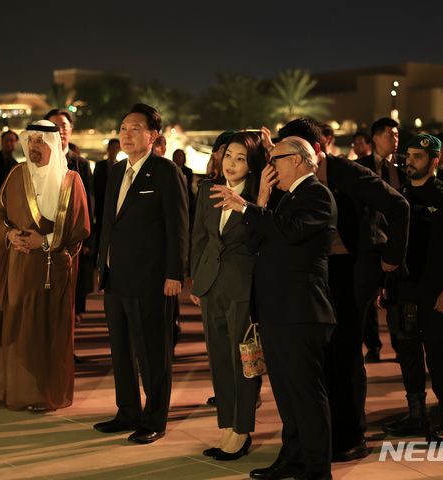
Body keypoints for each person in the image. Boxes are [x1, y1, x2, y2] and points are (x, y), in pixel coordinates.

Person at [269, 118, 409, 462]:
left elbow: (398, 206)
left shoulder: (348, 173)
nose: (288, 158)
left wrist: (390, 259)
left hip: (352, 271)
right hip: (318, 273)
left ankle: (351, 435)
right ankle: (322, 435)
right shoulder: (289, 179)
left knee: (346, 353)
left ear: (316, 149)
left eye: (295, 150)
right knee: (320, 356)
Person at [215, 136, 336, 480]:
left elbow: (293, 232)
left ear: (297, 161)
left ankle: (316, 468)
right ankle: (293, 456)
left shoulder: (316, 194)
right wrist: (262, 201)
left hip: (301, 311)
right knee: (285, 393)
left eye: (275, 158)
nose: (270, 166)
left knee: (306, 394)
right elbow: (254, 242)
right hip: (277, 311)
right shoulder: (286, 198)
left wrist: (248, 208)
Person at [94, 103, 189, 444]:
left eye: (135, 128)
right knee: (120, 350)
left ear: (153, 136)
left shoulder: (165, 172)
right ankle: (128, 412)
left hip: (151, 279)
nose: (126, 134)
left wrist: (174, 273)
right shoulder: (117, 171)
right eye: (123, 128)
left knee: (151, 351)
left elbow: (178, 226)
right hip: (115, 277)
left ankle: (154, 419)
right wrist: (100, 267)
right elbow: (107, 223)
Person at [0, 120, 90, 411]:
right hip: (19, 265)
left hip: (51, 269)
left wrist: (44, 241)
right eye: (30, 142)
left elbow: (79, 230)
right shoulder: (17, 175)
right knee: (17, 327)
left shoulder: (70, 182)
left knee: (45, 330)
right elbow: (0, 212)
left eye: (40, 142)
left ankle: (44, 394)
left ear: (53, 145)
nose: (33, 148)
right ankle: (13, 389)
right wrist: (10, 233)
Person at [381, 134, 443, 443]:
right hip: (405, 289)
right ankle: (417, 415)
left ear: (433, 161)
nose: (410, 161)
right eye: (409, 155)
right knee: (408, 353)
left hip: (435, 293)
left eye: (418, 157)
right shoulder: (399, 195)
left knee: (440, 357)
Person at [190, 132, 265, 461]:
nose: (231, 164)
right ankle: (227, 424)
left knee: (244, 361)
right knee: (218, 357)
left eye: (240, 159)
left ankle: (243, 428)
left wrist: (253, 205)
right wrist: (196, 281)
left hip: (242, 287)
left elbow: (262, 237)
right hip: (210, 285)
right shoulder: (207, 188)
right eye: (228, 156)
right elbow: (199, 238)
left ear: (251, 165)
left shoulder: (259, 194)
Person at [356, 117, 406, 363]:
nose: (395, 139)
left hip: (396, 243)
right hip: (369, 241)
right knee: (366, 299)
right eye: (390, 134)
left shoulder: (404, 167)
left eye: (397, 134)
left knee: (396, 298)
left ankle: (400, 345)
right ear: (375, 138)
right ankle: (372, 346)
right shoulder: (360, 167)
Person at [44, 109, 94, 325]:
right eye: (54, 126)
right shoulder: (39, 163)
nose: (60, 131)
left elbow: (90, 205)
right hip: (44, 239)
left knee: (70, 295)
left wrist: (88, 239)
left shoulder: (80, 164)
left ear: (71, 130)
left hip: (72, 240)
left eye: (64, 126)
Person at [93, 138, 120, 250]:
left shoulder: (121, 166)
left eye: (116, 148)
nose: (114, 150)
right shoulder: (100, 165)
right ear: (108, 149)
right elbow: (94, 186)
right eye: (113, 147)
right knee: (100, 233)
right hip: (101, 205)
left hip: (115, 206)